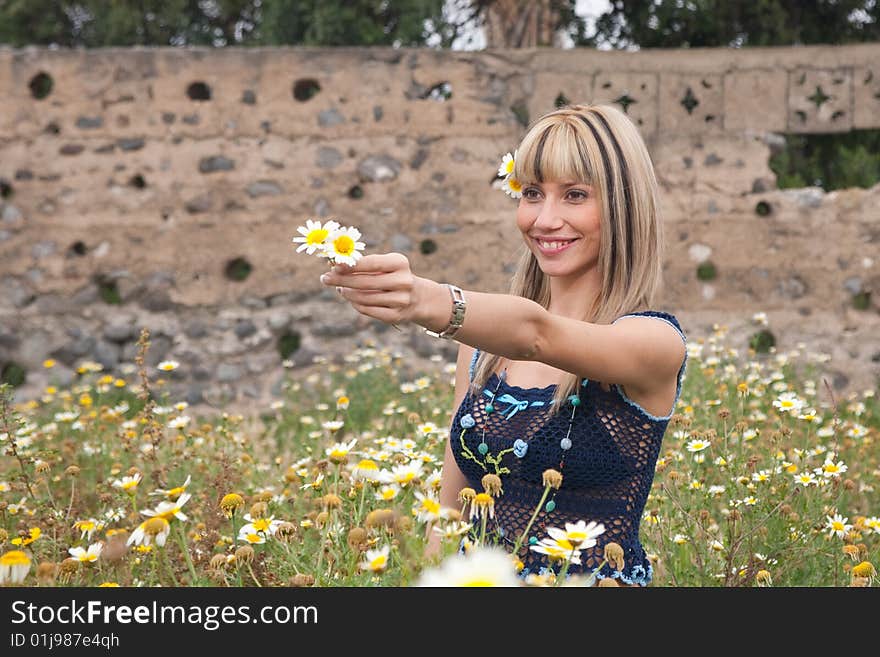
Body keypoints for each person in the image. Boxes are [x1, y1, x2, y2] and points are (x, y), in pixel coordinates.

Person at [319, 103, 687, 586]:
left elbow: (536, 334)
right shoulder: (480, 354)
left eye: (575, 195)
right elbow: (447, 518)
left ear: (623, 205)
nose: (545, 218)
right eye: (532, 193)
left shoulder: (654, 342)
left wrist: (429, 301)